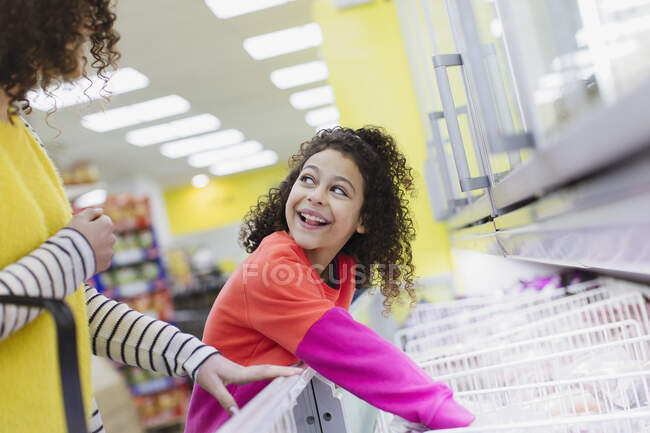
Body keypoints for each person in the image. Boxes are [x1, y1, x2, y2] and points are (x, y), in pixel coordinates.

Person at [0, 1, 301, 432]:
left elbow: (66, 305)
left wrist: (196, 357)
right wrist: (75, 251)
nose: (89, 25)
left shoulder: (21, 137)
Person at [185, 127, 475, 431]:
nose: (315, 196)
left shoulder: (341, 270)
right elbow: (352, 352)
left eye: (339, 190)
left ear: (364, 218)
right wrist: (436, 405)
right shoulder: (271, 268)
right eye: (308, 179)